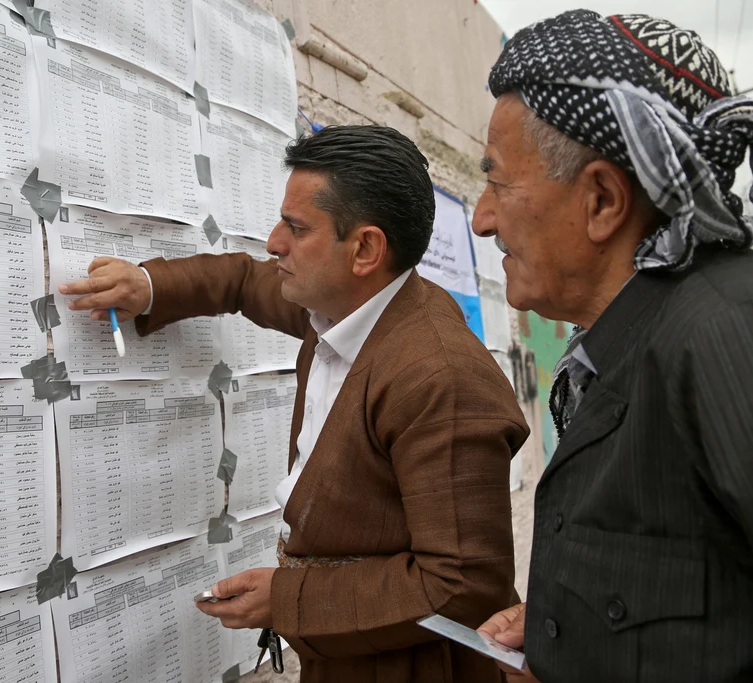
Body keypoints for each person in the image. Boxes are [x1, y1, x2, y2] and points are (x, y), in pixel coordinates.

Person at [61, 125, 529, 682]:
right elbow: (241, 282)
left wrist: (288, 599)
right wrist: (150, 286)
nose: (273, 241)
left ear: (365, 249)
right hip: (345, 651)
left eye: (297, 227)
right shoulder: (343, 306)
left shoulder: (438, 377)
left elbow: (459, 586)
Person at [471, 11, 753, 683]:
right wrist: (574, 638)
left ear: (603, 201)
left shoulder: (733, 333)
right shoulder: (611, 356)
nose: (481, 217)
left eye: (497, 180)